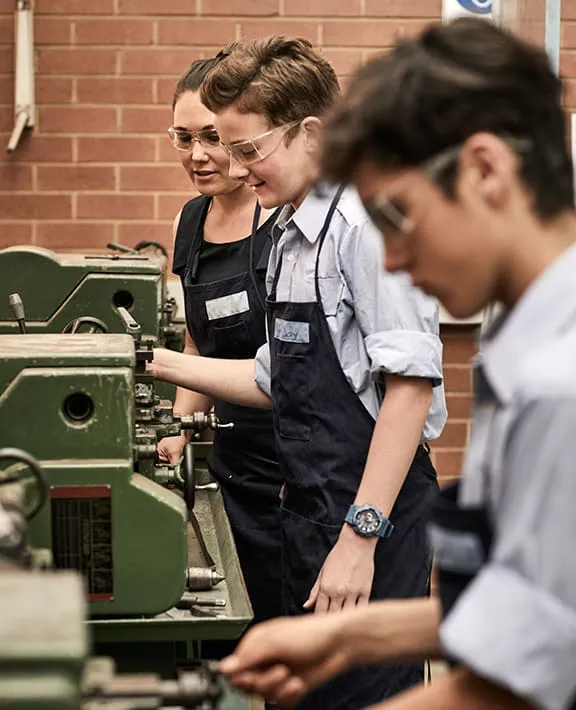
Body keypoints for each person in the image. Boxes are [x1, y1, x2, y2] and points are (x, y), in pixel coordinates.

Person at [216, 17, 576, 710]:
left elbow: (533, 674)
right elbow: (533, 616)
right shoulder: (521, 348)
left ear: (484, 171)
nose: (395, 260)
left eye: (399, 214)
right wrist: (356, 639)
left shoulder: (558, 382)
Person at [149, 37, 446, 709]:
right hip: (307, 512)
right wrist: (152, 364)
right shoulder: (289, 232)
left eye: (248, 150)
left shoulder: (366, 225)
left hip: (370, 518)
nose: (235, 165)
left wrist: (359, 537)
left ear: (311, 133)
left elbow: (409, 391)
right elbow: (273, 378)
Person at [156, 54, 283, 631]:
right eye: (183, 138)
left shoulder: (282, 221)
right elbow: (199, 341)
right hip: (234, 469)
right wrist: (179, 432)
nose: (197, 155)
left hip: (294, 467)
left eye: (211, 138)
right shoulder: (190, 220)